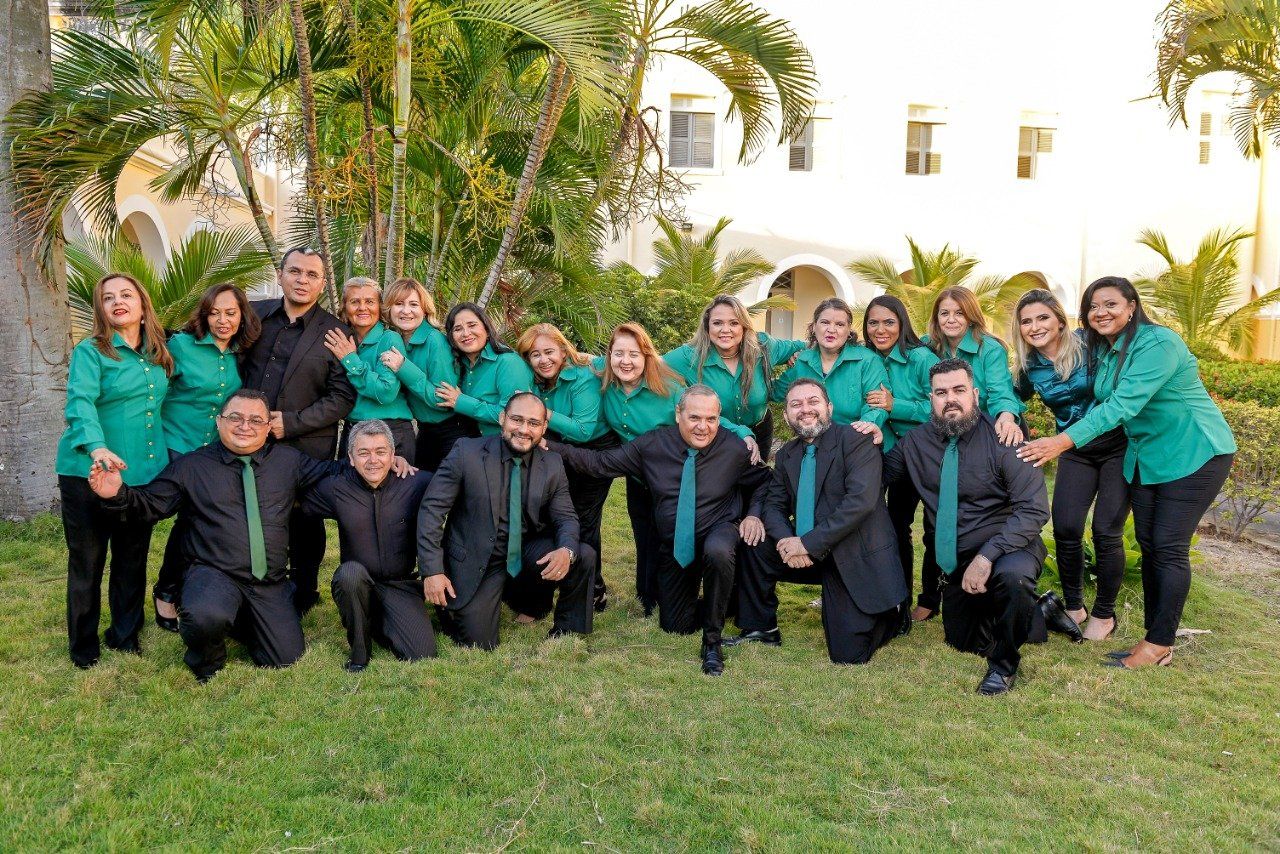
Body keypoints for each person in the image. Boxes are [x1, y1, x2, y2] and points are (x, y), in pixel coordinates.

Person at [1017, 277, 1236, 670]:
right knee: (1152, 546)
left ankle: (1158, 644)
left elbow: (1122, 404)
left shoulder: (1158, 343)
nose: (1101, 312)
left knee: (1168, 548)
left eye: (1111, 304)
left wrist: (1062, 441)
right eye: (1093, 306)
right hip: (1148, 456)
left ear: (1132, 306)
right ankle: (1155, 638)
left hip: (1195, 451)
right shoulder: (1106, 347)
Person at [86, 391, 343, 682]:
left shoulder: (289, 461)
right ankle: (207, 658)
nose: (245, 426)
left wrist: (378, 460)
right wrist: (116, 494)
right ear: (219, 422)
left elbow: (334, 470)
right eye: (235, 417)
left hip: (268, 582)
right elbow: (150, 504)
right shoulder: (192, 466)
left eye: (255, 420)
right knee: (205, 616)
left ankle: (239, 618)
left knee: (285, 658)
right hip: (214, 574)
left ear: (268, 426)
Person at [550, 385, 770, 676]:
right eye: (694, 417)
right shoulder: (652, 445)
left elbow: (764, 480)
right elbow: (599, 464)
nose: (703, 427)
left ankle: (712, 642)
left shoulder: (734, 448)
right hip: (676, 545)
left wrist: (753, 515)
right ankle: (729, 601)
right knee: (675, 625)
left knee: (718, 550)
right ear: (678, 414)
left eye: (711, 419)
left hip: (719, 530)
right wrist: (549, 445)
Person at [865, 359, 1055, 695]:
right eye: (941, 393)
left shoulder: (1005, 438)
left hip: (1010, 546)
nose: (950, 399)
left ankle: (1003, 667)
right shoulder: (915, 443)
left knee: (1013, 578)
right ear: (931, 399)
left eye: (959, 390)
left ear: (975, 395)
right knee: (962, 641)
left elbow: (1034, 509)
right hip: (959, 559)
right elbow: (875, 477)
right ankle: (1043, 610)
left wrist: (987, 556)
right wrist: (870, 445)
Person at [729, 379, 907, 663]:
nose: (805, 409)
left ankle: (892, 613)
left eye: (813, 401)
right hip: (807, 550)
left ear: (829, 408)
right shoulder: (786, 454)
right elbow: (774, 505)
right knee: (753, 542)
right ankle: (760, 627)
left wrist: (807, 544)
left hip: (851, 553)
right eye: (796, 404)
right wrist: (788, 541)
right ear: (786, 414)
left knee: (847, 654)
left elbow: (859, 503)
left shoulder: (857, 440)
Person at [55, 273, 174, 668]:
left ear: (142, 304)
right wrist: (97, 447)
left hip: (141, 474)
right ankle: (83, 646)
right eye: (108, 298)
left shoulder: (159, 353)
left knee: (132, 558)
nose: (118, 302)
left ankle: (125, 636)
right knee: (88, 561)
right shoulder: (91, 351)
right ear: (101, 309)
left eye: (126, 295)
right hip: (87, 472)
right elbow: (80, 402)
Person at [417, 393, 594, 650]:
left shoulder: (552, 463)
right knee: (478, 643)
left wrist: (566, 550)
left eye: (533, 423)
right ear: (502, 418)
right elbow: (432, 510)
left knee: (582, 554)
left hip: (524, 552)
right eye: (517, 419)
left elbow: (565, 516)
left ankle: (566, 627)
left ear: (544, 427)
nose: (524, 429)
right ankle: (479, 602)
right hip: (477, 556)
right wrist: (432, 570)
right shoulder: (466, 452)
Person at [241, 247, 356, 614]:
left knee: (304, 518)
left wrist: (290, 422)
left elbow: (342, 397)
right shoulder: (253, 316)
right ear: (280, 275)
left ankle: (305, 590)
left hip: (305, 444)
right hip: (249, 439)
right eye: (295, 271)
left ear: (322, 284)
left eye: (311, 275)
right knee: (253, 513)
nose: (302, 280)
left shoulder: (336, 332)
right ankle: (257, 584)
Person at [1012, 289, 1127, 642]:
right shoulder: (1029, 367)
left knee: (1106, 530)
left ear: (1060, 320)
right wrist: (1004, 416)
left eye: (1042, 318)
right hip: (1075, 451)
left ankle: (1104, 614)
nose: (1035, 327)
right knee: (1065, 526)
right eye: (1026, 321)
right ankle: (1075, 607)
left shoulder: (1090, 344)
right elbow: (1011, 397)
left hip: (1117, 446)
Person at [153, 283, 261, 632]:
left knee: (201, 523)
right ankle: (166, 592)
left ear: (242, 315)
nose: (222, 320)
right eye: (214, 313)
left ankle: (189, 590)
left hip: (214, 451)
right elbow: (153, 392)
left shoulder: (241, 353)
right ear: (204, 315)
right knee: (191, 520)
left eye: (230, 313)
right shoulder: (182, 346)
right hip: (177, 444)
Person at [300, 420, 435, 672]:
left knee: (422, 653)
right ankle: (360, 653)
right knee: (349, 574)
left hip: (400, 584)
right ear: (351, 458)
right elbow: (292, 495)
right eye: (363, 453)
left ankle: (378, 621)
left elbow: (456, 491)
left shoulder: (416, 482)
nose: (373, 460)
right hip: (356, 583)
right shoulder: (335, 487)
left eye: (380, 452)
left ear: (393, 455)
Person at [517, 323, 616, 612]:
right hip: (558, 446)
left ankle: (593, 589)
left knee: (584, 519)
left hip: (593, 450)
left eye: (549, 351)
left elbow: (583, 430)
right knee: (558, 513)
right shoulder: (534, 380)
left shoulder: (582, 376)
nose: (543, 359)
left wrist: (541, 411)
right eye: (535, 354)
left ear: (563, 350)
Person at [862, 294, 941, 628]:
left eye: (889, 322)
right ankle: (899, 597)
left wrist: (897, 405)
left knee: (934, 528)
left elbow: (940, 407)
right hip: (891, 455)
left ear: (902, 324)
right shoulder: (867, 358)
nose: (880, 330)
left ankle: (931, 599)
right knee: (894, 527)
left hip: (928, 453)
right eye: (873, 323)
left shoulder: (921, 358)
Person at [664, 294, 805, 463]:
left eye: (734, 323)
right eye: (717, 323)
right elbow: (651, 365)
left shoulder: (763, 347)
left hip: (760, 431)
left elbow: (809, 346)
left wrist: (798, 355)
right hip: (714, 435)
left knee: (757, 478)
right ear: (707, 326)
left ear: (744, 327)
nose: (725, 330)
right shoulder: (689, 357)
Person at [324, 277, 415, 461]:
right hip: (353, 431)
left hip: (391, 431)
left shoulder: (389, 339)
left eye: (370, 302)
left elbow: (385, 392)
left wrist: (351, 360)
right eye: (354, 302)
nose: (362, 308)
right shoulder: (341, 340)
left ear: (379, 307)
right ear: (344, 307)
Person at [378, 278, 464, 472]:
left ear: (424, 310)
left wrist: (404, 368)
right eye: (399, 304)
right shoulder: (394, 340)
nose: (406, 311)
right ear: (389, 309)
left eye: (413, 304)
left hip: (452, 430)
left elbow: (442, 400)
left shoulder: (435, 341)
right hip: (425, 431)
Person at [924, 287, 1024, 446]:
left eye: (959, 313)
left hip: (990, 426)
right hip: (951, 427)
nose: (951, 319)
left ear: (970, 317)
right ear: (937, 317)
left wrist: (1006, 419)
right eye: (944, 313)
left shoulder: (991, 349)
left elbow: (1001, 394)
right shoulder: (928, 345)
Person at [772, 297, 890, 429]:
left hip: (855, 437)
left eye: (840, 324)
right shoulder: (802, 360)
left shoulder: (868, 360)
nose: (831, 329)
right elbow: (774, 392)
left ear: (848, 330)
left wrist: (859, 432)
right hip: (814, 438)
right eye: (825, 322)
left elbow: (876, 409)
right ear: (814, 327)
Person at [434, 301, 533, 436]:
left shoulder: (509, 362)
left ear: (487, 330)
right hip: (469, 439)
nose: (466, 333)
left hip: (503, 442)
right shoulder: (459, 363)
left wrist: (460, 401)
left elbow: (514, 416)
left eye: (472, 325)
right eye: (458, 329)